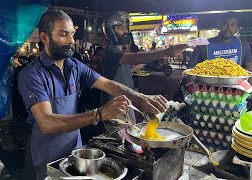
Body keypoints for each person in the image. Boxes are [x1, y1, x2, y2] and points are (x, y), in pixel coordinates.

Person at [18, 10, 168, 180]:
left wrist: (139, 98)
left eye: (72, 34)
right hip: (44, 155)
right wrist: (99, 114)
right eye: (63, 34)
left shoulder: (74, 66)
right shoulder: (32, 75)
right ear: (44, 38)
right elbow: (47, 123)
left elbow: (108, 84)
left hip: (74, 150)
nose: (71, 41)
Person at [100, 11, 188, 122]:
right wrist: (165, 52)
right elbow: (135, 57)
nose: (126, 31)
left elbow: (119, 74)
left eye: (126, 27)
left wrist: (134, 69)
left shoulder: (119, 51)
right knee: (120, 136)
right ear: (111, 31)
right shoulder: (110, 51)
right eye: (120, 28)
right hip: (115, 103)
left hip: (126, 100)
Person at [188, 12, 252, 71]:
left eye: (233, 25)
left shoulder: (243, 45)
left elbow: (249, 66)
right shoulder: (203, 45)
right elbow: (191, 68)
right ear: (219, 25)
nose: (228, 28)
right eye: (225, 24)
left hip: (235, 83)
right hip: (208, 83)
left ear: (237, 29)